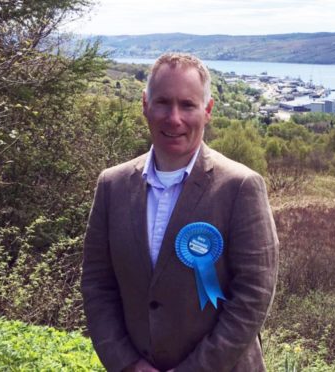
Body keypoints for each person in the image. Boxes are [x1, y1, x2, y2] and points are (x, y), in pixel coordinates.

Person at [81, 53, 278, 372]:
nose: (174, 118)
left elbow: (253, 297)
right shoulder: (111, 185)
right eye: (163, 102)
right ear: (145, 104)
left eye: (187, 105)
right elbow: (97, 285)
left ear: (208, 110)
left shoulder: (241, 187)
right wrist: (127, 364)